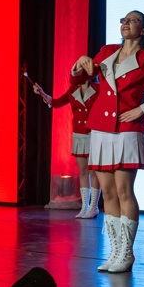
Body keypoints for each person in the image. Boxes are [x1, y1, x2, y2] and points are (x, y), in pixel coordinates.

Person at [72, 10, 144, 273]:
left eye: (132, 20)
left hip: (127, 128)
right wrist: (79, 64)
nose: (125, 23)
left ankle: (126, 253)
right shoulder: (106, 51)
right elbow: (78, 79)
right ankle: (113, 252)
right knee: (107, 193)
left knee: (124, 191)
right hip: (100, 126)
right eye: (123, 19)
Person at [33, 78, 102, 219]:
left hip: (94, 133)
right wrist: (42, 94)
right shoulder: (73, 90)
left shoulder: (99, 88)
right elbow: (57, 103)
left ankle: (94, 207)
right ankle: (84, 207)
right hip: (79, 134)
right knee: (83, 171)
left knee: (94, 172)